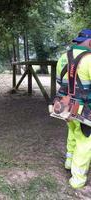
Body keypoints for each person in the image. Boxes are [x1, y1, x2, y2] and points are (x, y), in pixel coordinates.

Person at [56, 29, 91, 189]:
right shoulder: (90, 59)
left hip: (66, 107)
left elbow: (59, 82)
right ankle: (77, 180)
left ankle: (69, 162)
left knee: (73, 132)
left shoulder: (63, 57)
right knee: (85, 142)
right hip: (85, 110)